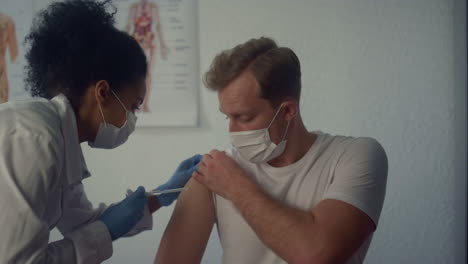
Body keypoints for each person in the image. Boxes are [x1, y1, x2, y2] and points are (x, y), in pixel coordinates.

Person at [155, 37, 388, 264]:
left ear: (287, 111)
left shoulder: (355, 156)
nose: (232, 131)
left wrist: (235, 186)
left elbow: (316, 254)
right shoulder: (213, 174)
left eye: (244, 117)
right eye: (227, 116)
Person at [0, 1, 199, 263]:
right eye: (133, 106)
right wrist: (105, 230)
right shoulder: (34, 137)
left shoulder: (58, 138)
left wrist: (161, 195)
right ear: (103, 92)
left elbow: (83, 223)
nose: (132, 119)